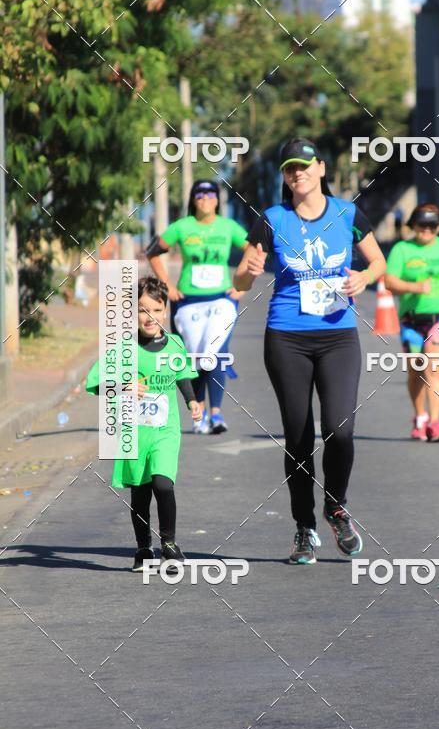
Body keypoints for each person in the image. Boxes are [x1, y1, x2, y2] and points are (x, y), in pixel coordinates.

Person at [234, 137, 386, 565]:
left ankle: (336, 507)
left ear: (320, 168)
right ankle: (304, 528)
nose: (297, 173)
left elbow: (378, 262)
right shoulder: (271, 219)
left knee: (340, 429)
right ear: (285, 177)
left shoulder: (347, 213)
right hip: (287, 338)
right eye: (289, 168)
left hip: (338, 335)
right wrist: (246, 271)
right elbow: (242, 283)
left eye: (304, 165)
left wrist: (364, 278)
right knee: (299, 437)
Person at [86, 276, 201, 571]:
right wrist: (123, 386)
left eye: (156, 310)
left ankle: (169, 544)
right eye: (142, 310)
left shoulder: (174, 343)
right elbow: (98, 384)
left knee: (163, 484)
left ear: (166, 311)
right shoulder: (124, 349)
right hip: (132, 432)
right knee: (140, 491)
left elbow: (182, 374)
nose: (150, 317)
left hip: (165, 430)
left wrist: (192, 401)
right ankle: (143, 549)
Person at [146, 179, 248, 435]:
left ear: (217, 199)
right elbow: (152, 252)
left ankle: (217, 414)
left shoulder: (228, 227)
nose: (205, 197)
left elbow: (255, 250)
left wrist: (243, 284)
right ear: (193, 199)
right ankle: (198, 412)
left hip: (221, 299)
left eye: (211, 193)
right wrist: (167, 285)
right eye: (199, 193)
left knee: (217, 353)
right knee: (193, 357)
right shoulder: (182, 227)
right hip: (187, 301)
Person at [384, 203, 439, 443]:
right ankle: (420, 417)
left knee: (435, 367)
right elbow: (389, 281)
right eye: (422, 224)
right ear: (412, 225)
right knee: (416, 370)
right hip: (411, 319)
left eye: (433, 225)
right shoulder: (402, 249)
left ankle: (435, 423)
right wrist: (414, 287)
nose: (427, 229)